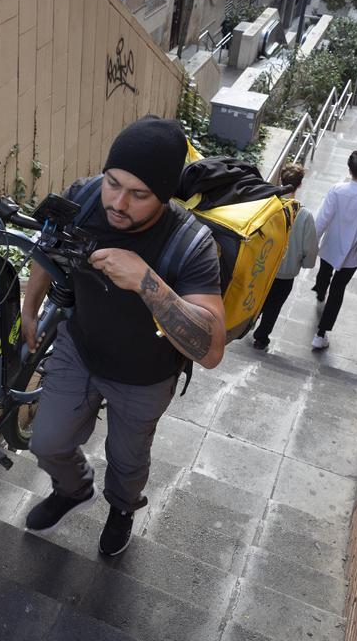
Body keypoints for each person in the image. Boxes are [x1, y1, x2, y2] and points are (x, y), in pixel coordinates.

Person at [20, 116, 225, 557]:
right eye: (113, 183)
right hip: (81, 346)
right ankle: (73, 489)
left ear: (165, 194)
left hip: (145, 374)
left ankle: (122, 508)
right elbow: (48, 246)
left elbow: (211, 351)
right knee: (47, 442)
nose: (118, 202)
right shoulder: (85, 197)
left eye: (139, 195)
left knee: (128, 462)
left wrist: (147, 281)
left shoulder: (192, 244)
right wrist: (29, 307)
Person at [311, 150, 357, 350]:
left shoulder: (337, 190)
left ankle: (319, 291)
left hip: (330, 246)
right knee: (338, 290)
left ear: (349, 168)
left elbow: (322, 219)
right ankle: (321, 334)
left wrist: (312, 242)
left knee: (325, 271)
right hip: (352, 255)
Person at [250, 163, 317, 350]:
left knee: (259, 297)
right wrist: (304, 263)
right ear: (300, 185)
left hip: (263, 266)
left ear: (281, 180)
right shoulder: (304, 215)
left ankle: (248, 322)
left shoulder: (267, 205)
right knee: (274, 306)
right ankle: (261, 337)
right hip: (285, 272)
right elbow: (310, 248)